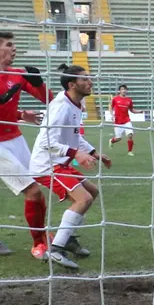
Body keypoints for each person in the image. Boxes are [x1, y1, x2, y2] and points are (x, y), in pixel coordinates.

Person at [30, 64, 111, 269]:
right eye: (85, 79)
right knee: (82, 199)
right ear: (72, 84)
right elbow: (46, 142)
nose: (90, 81)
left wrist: (94, 153)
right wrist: (76, 154)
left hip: (60, 163)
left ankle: (68, 239)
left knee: (92, 193)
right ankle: (55, 250)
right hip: (46, 165)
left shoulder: (75, 104)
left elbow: (75, 136)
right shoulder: (61, 106)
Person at [0, 31, 54, 259]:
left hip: (16, 139)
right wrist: (21, 113)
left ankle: (44, 236)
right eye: (9, 45)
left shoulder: (18, 74)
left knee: (38, 191)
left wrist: (39, 84)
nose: (14, 49)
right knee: (32, 191)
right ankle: (38, 244)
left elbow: (49, 99)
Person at [109, 84, 142, 156]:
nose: (123, 91)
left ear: (126, 90)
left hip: (127, 120)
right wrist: (112, 115)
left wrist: (139, 111)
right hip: (118, 122)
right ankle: (111, 141)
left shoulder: (129, 100)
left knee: (130, 135)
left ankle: (130, 151)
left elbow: (132, 110)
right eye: (122, 89)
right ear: (119, 91)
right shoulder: (115, 99)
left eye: (125, 89)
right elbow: (110, 107)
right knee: (118, 138)